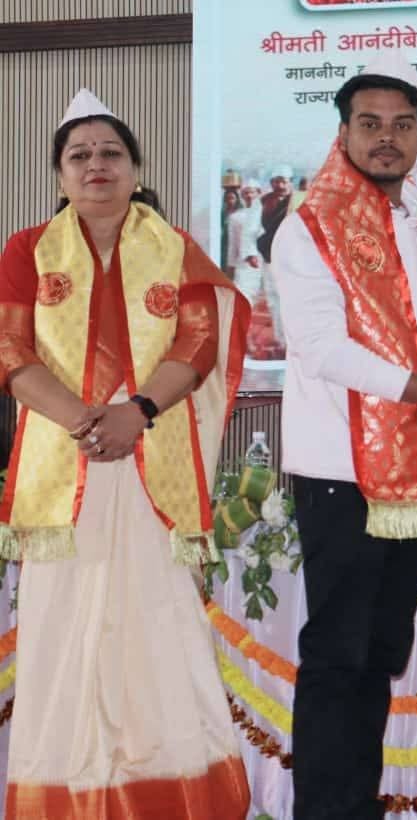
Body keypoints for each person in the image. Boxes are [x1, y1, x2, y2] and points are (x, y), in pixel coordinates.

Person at [0, 89, 251, 816]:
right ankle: (65, 796)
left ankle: (172, 795)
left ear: (136, 169)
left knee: (157, 623)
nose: (96, 165)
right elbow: (11, 352)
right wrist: (88, 423)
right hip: (64, 467)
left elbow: (198, 343)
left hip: (149, 462)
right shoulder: (25, 250)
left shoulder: (175, 248)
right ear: (59, 176)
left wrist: (134, 414)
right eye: (79, 155)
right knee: (61, 628)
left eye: (111, 152)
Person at [272, 51, 417, 819]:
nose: (386, 138)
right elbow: (323, 350)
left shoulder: (412, 224)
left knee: (376, 654)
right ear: (342, 134)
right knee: (338, 655)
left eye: (403, 125)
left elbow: (412, 349)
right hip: (340, 473)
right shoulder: (311, 226)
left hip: (407, 473)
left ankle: (353, 804)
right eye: (369, 124)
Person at [227, 177, 265, 297]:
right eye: (246, 192)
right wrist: (231, 267)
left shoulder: (267, 214)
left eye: (252, 192)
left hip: (265, 263)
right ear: (242, 195)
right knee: (243, 297)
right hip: (244, 266)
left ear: (258, 193)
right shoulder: (236, 217)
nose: (249, 195)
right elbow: (233, 245)